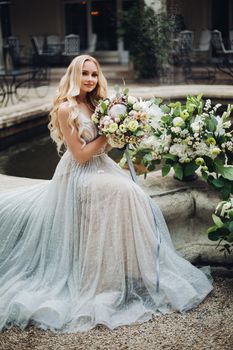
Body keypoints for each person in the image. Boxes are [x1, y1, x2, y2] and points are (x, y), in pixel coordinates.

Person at [0, 55, 213, 333]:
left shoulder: (96, 104)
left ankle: (126, 271)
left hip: (100, 167)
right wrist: (111, 133)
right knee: (123, 190)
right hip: (79, 175)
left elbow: (102, 151)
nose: (90, 79)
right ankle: (101, 281)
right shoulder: (67, 109)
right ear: (74, 75)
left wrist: (123, 133)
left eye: (94, 74)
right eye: (84, 74)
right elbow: (80, 155)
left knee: (132, 192)